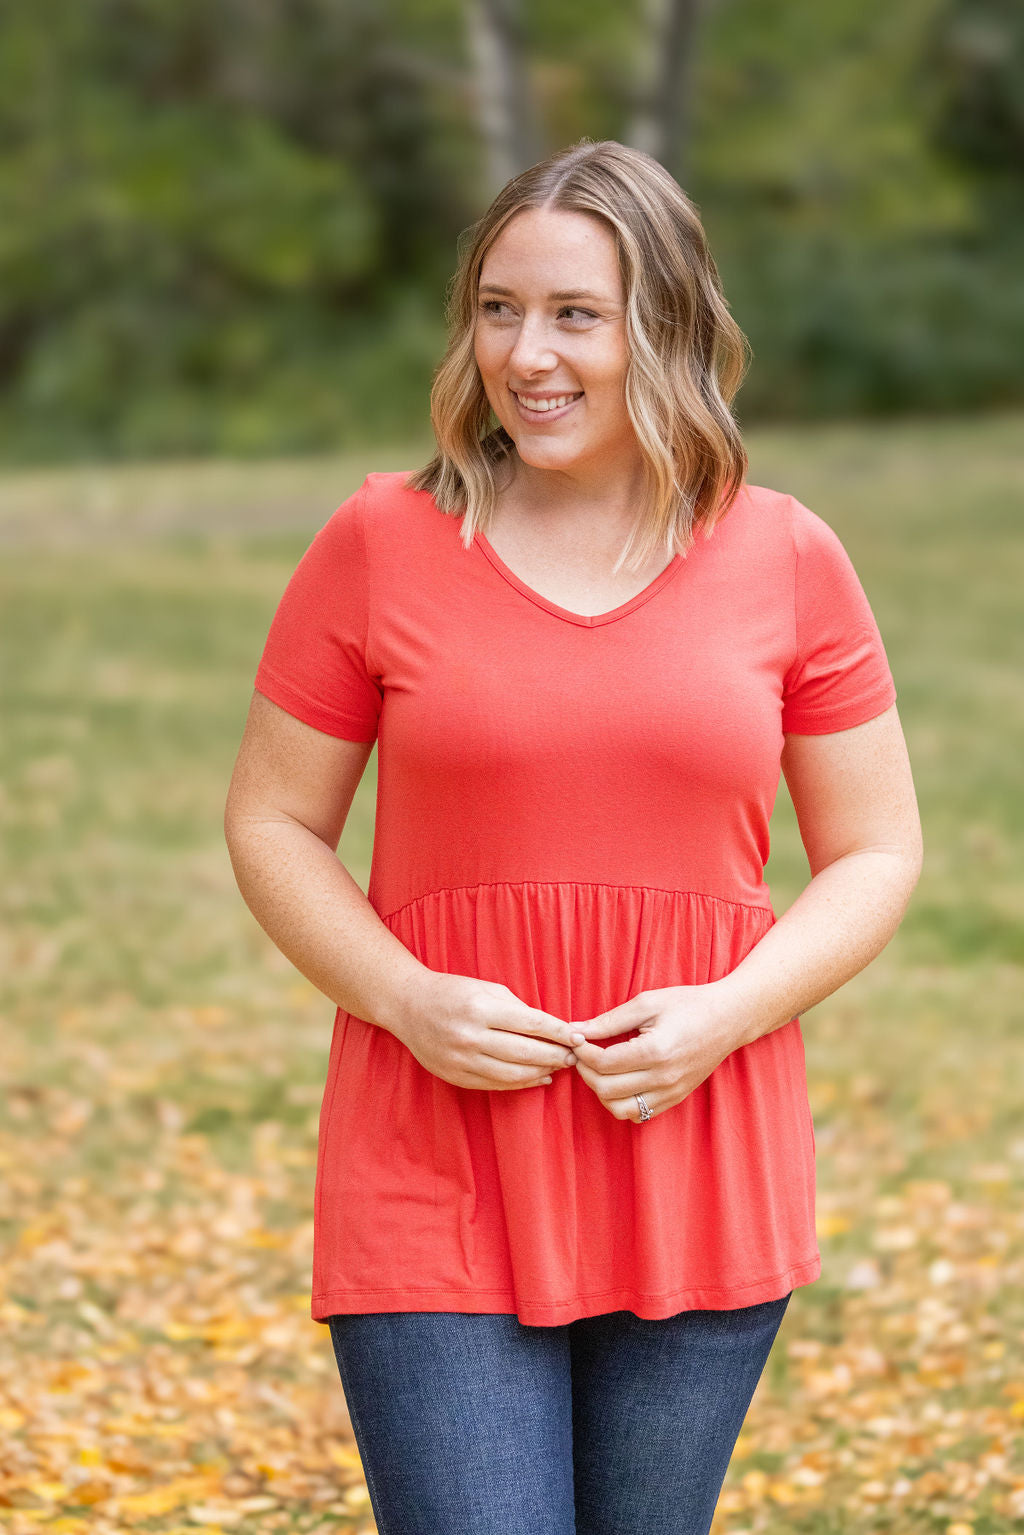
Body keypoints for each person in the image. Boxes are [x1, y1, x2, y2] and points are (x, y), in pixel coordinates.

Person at [224, 139, 923, 1535]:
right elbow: (271, 820)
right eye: (497, 308)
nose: (524, 353)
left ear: (662, 325)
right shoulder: (379, 540)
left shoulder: (788, 556)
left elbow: (878, 853)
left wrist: (726, 1015)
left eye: (573, 315)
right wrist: (402, 997)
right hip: (435, 1142)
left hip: (694, 1143)